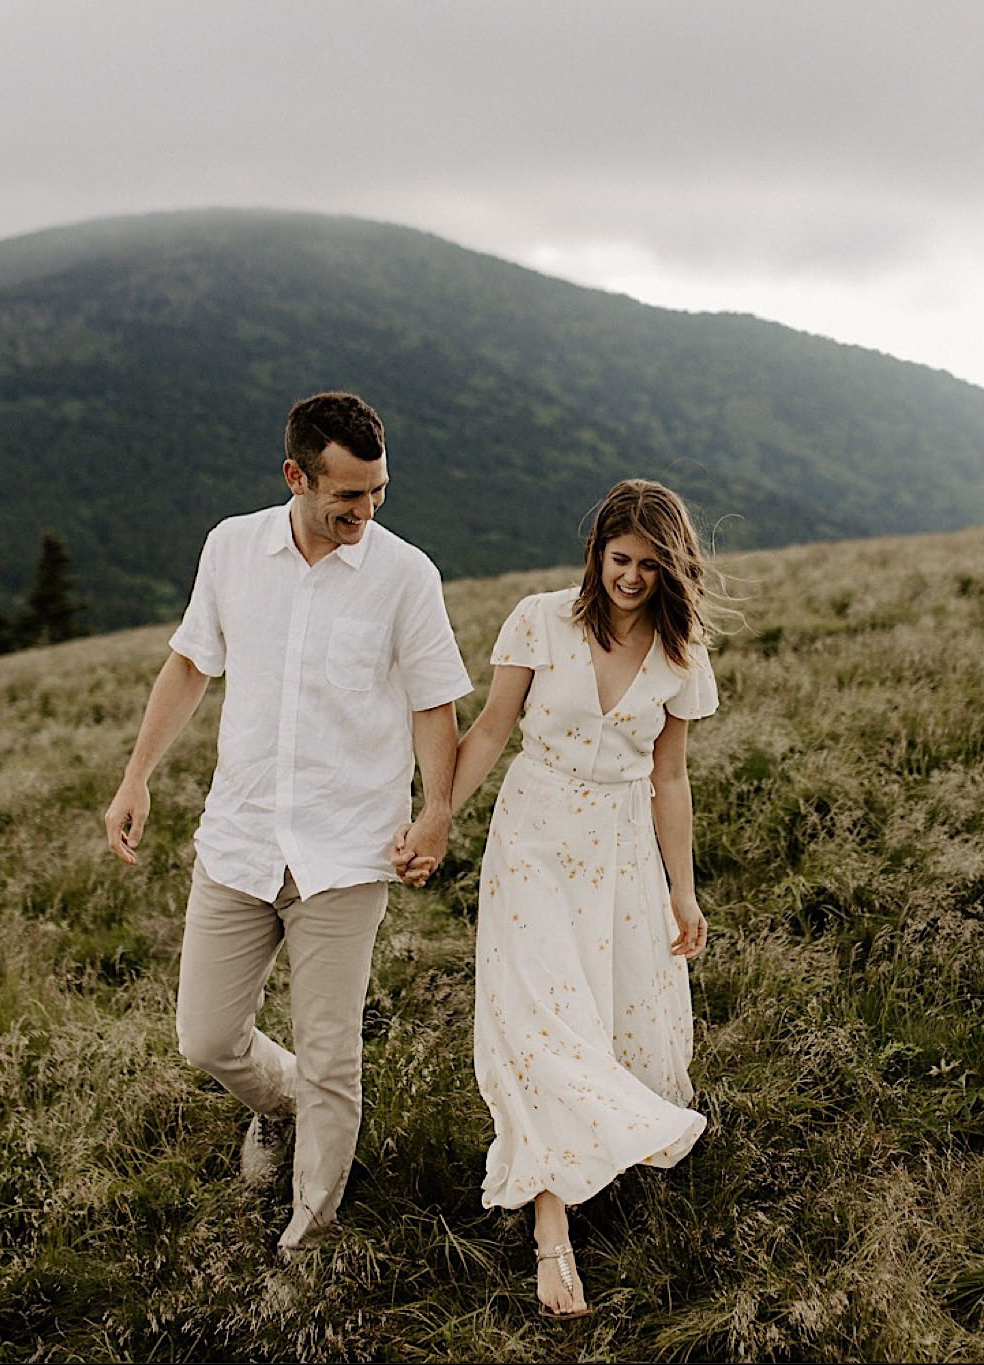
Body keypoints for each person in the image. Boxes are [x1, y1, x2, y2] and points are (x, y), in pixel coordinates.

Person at [104, 391, 472, 1258]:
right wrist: (136, 778)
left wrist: (437, 813)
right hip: (238, 841)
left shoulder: (405, 575)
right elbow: (191, 664)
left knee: (334, 1052)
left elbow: (433, 705)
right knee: (207, 1036)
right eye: (348, 494)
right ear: (296, 476)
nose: (367, 510)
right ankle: (283, 1102)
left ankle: (310, 1238)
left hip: (346, 853)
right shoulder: (232, 548)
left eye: (378, 491)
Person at [394, 479, 722, 1318]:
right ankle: (552, 1236)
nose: (631, 578)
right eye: (619, 559)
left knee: (604, 1021)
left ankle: (600, 1156)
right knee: (543, 1023)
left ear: (671, 569)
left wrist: (682, 892)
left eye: (651, 565)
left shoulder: (679, 655)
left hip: (618, 855)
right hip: (533, 841)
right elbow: (492, 730)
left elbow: (671, 777)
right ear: (597, 553)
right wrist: (436, 819)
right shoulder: (541, 619)